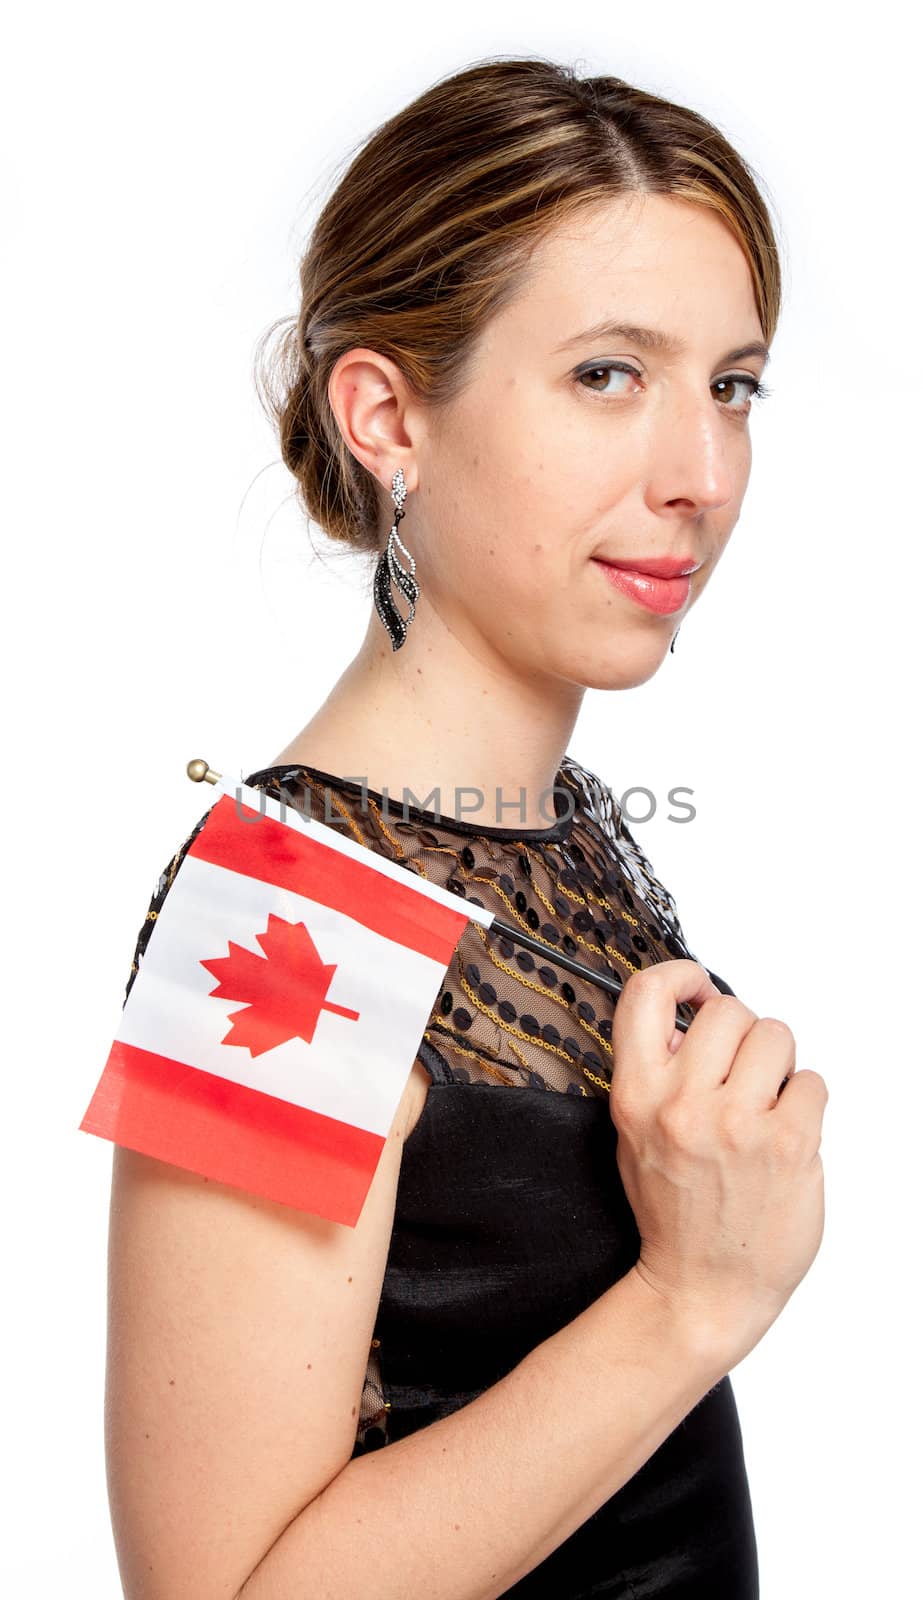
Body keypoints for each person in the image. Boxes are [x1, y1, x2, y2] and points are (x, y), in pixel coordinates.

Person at [103, 56, 828, 1600]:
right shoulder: (278, 919)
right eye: (607, 375)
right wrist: (695, 1301)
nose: (702, 476)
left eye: (733, 386)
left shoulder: (551, 830)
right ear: (387, 416)